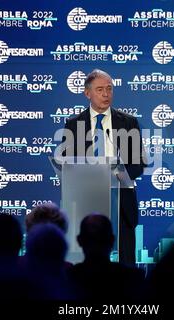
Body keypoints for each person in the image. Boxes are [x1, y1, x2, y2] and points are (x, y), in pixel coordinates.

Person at [62, 69, 146, 266]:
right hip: (86, 199)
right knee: (87, 265)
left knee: (126, 266)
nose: (106, 94)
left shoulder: (128, 122)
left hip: (121, 200)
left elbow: (138, 164)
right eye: (100, 89)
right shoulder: (73, 124)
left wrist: (120, 174)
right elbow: (67, 163)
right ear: (87, 93)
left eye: (109, 89)